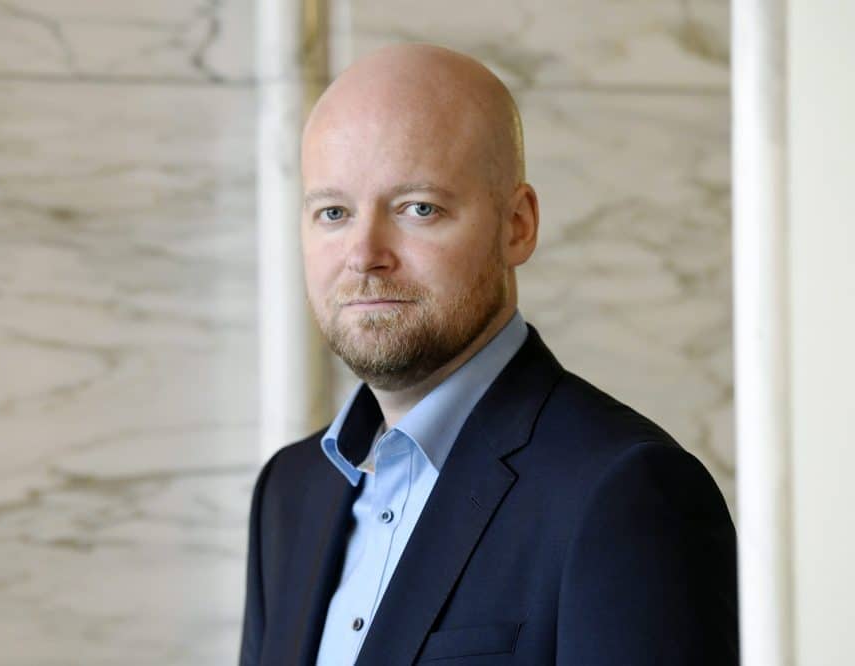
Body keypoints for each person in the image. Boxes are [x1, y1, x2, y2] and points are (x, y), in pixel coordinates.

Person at [239, 43, 738, 666]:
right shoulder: (290, 492)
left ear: (517, 226)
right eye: (333, 212)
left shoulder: (627, 494)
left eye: (418, 208)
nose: (364, 254)